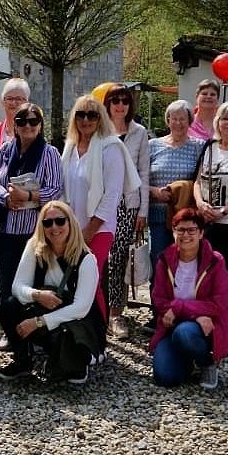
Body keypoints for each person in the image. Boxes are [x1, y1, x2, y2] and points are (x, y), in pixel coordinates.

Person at [61, 94, 139, 347]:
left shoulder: (111, 147)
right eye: (80, 115)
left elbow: (113, 194)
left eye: (92, 115)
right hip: (70, 228)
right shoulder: (70, 147)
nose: (86, 120)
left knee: (90, 281)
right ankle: (77, 333)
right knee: (73, 281)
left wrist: (90, 229)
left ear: (100, 118)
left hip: (99, 228)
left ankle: (97, 333)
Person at [0, 201, 102, 385]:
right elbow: (18, 286)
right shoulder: (34, 247)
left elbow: (81, 308)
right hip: (44, 310)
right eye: (48, 223)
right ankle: (23, 359)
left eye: (60, 221)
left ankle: (77, 360)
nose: (54, 227)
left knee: (69, 375)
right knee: (9, 306)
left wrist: (39, 322)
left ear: (71, 223)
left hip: (74, 321)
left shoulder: (87, 259)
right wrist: (37, 295)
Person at [0, 102, 63, 341]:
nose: (28, 126)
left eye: (33, 121)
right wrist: (7, 198)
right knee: (7, 280)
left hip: (35, 231)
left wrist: (29, 196)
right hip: (5, 227)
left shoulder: (50, 153)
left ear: (40, 125)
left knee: (34, 282)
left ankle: (35, 330)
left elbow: (56, 189)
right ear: (15, 125)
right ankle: (10, 331)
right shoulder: (5, 151)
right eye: (22, 122)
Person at [149, 209, 228, 390]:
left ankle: (206, 363)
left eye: (192, 230)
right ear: (173, 232)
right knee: (166, 378)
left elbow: (219, 303)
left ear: (201, 233)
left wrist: (180, 309)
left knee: (185, 334)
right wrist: (193, 314)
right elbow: (158, 300)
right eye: (180, 230)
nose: (186, 235)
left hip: (205, 325)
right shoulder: (164, 260)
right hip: (171, 326)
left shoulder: (215, 261)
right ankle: (187, 358)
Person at [193, 101, 228, 334]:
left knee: (226, 275)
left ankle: (226, 325)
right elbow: (196, 181)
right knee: (203, 272)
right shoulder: (209, 147)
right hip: (205, 220)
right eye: (225, 118)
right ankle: (204, 320)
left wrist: (223, 210)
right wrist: (200, 204)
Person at [103, 84, 151, 340]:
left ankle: (116, 313)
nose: (120, 105)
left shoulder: (139, 132)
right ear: (108, 104)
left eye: (125, 101)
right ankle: (98, 309)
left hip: (127, 204)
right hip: (102, 203)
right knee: (100, 258)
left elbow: (144, 172)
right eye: (116, 100)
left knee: (119, 258)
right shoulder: (99, 129)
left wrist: (142, 210)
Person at [146, 100, 206, 265]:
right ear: (168, 121)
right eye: (174, 119)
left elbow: (202, 180)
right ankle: (158, 292)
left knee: (186, 263)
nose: (178, 123)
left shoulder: (199, 147)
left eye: (182, 119)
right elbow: (139, 178)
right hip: (158, 215)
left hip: (186, 217)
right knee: (159, 262)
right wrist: (154, 191)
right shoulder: (152, 145)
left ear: (189, 121)